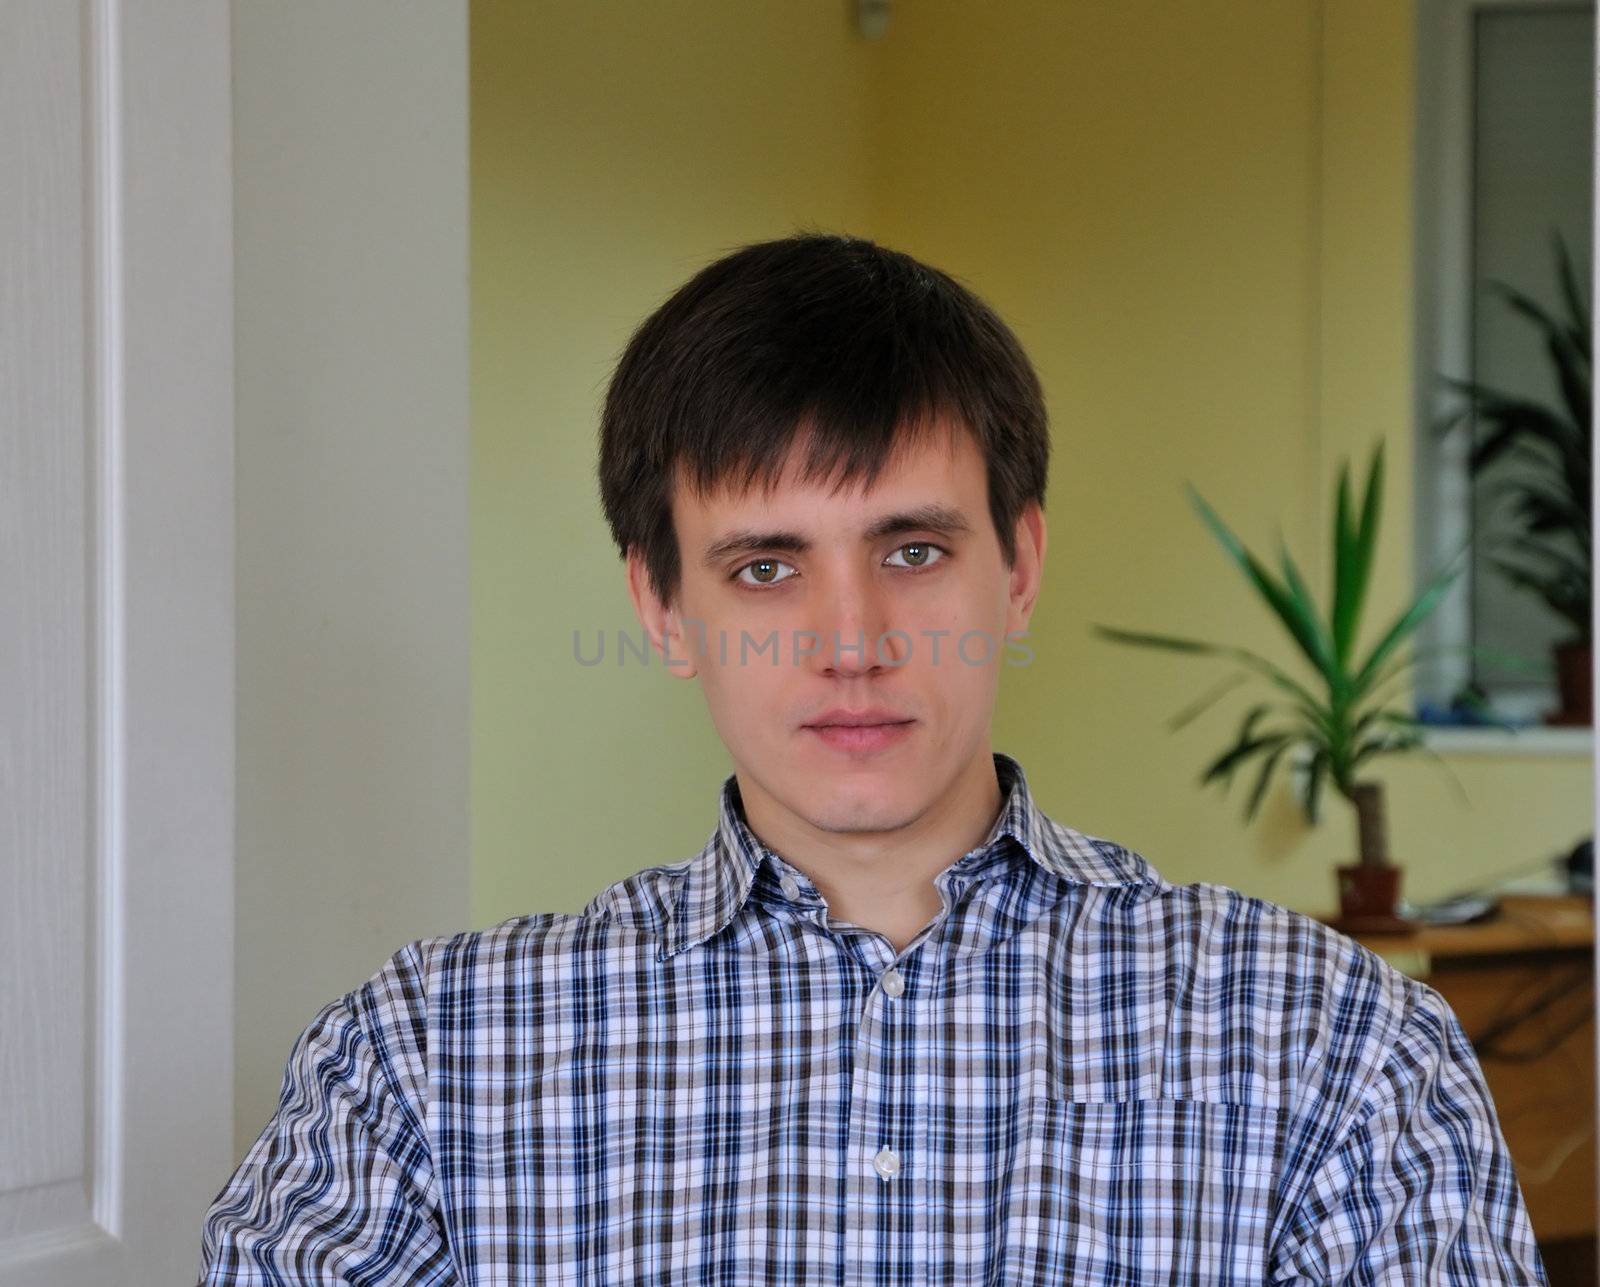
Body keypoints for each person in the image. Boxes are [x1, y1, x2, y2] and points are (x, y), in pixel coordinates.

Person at [196, 232, 1547, 1284]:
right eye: (766, 566)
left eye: (912, 551)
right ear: (663, 607)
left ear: (1017, 565)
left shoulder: (1335, 1049)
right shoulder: (427, 1066)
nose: (851, 642)